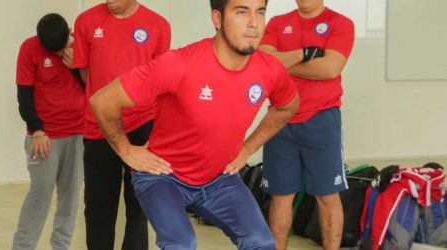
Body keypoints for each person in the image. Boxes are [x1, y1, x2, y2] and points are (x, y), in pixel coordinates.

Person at [90, 0, 299, 249]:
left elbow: (287, 106)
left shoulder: (270, 70)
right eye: (241, 12)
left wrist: (247, 148)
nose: (254, 23)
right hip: (163, 177)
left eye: (260, 12)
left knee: (262, 242)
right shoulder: (179, 64)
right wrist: (126, 150)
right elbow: (102, 101)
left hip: (219, 178)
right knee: (182, 243)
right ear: (217, 19)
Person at [72, 0, 171, 249]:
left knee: (140, 207)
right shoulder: (86, 21)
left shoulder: (159, 25)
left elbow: (161, 80)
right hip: (100, 127)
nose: (110, 1)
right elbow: (85, 73)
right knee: (98, 208)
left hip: (143, 125)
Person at [258, 0, 354, 249]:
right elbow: (264, 62)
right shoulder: (278, 23)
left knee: (327, 196)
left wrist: (284, 64)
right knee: (280, 197)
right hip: (280, 119)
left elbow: (330, 68)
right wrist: (305, 55)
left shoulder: (341, 24)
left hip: (321, 120)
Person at [13, 13, 85, 250]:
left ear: (69, 33)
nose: (57, 54)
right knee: (40, 194)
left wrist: (76, 67)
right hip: (44, 136)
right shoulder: (29, 48)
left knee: (70, 197)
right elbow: (24, 96)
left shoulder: (78, 45)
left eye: (60, 48)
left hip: (78, 133)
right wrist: (38, 131)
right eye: (51, 51)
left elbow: (93, 85)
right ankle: (23, 246)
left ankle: (61, 246)